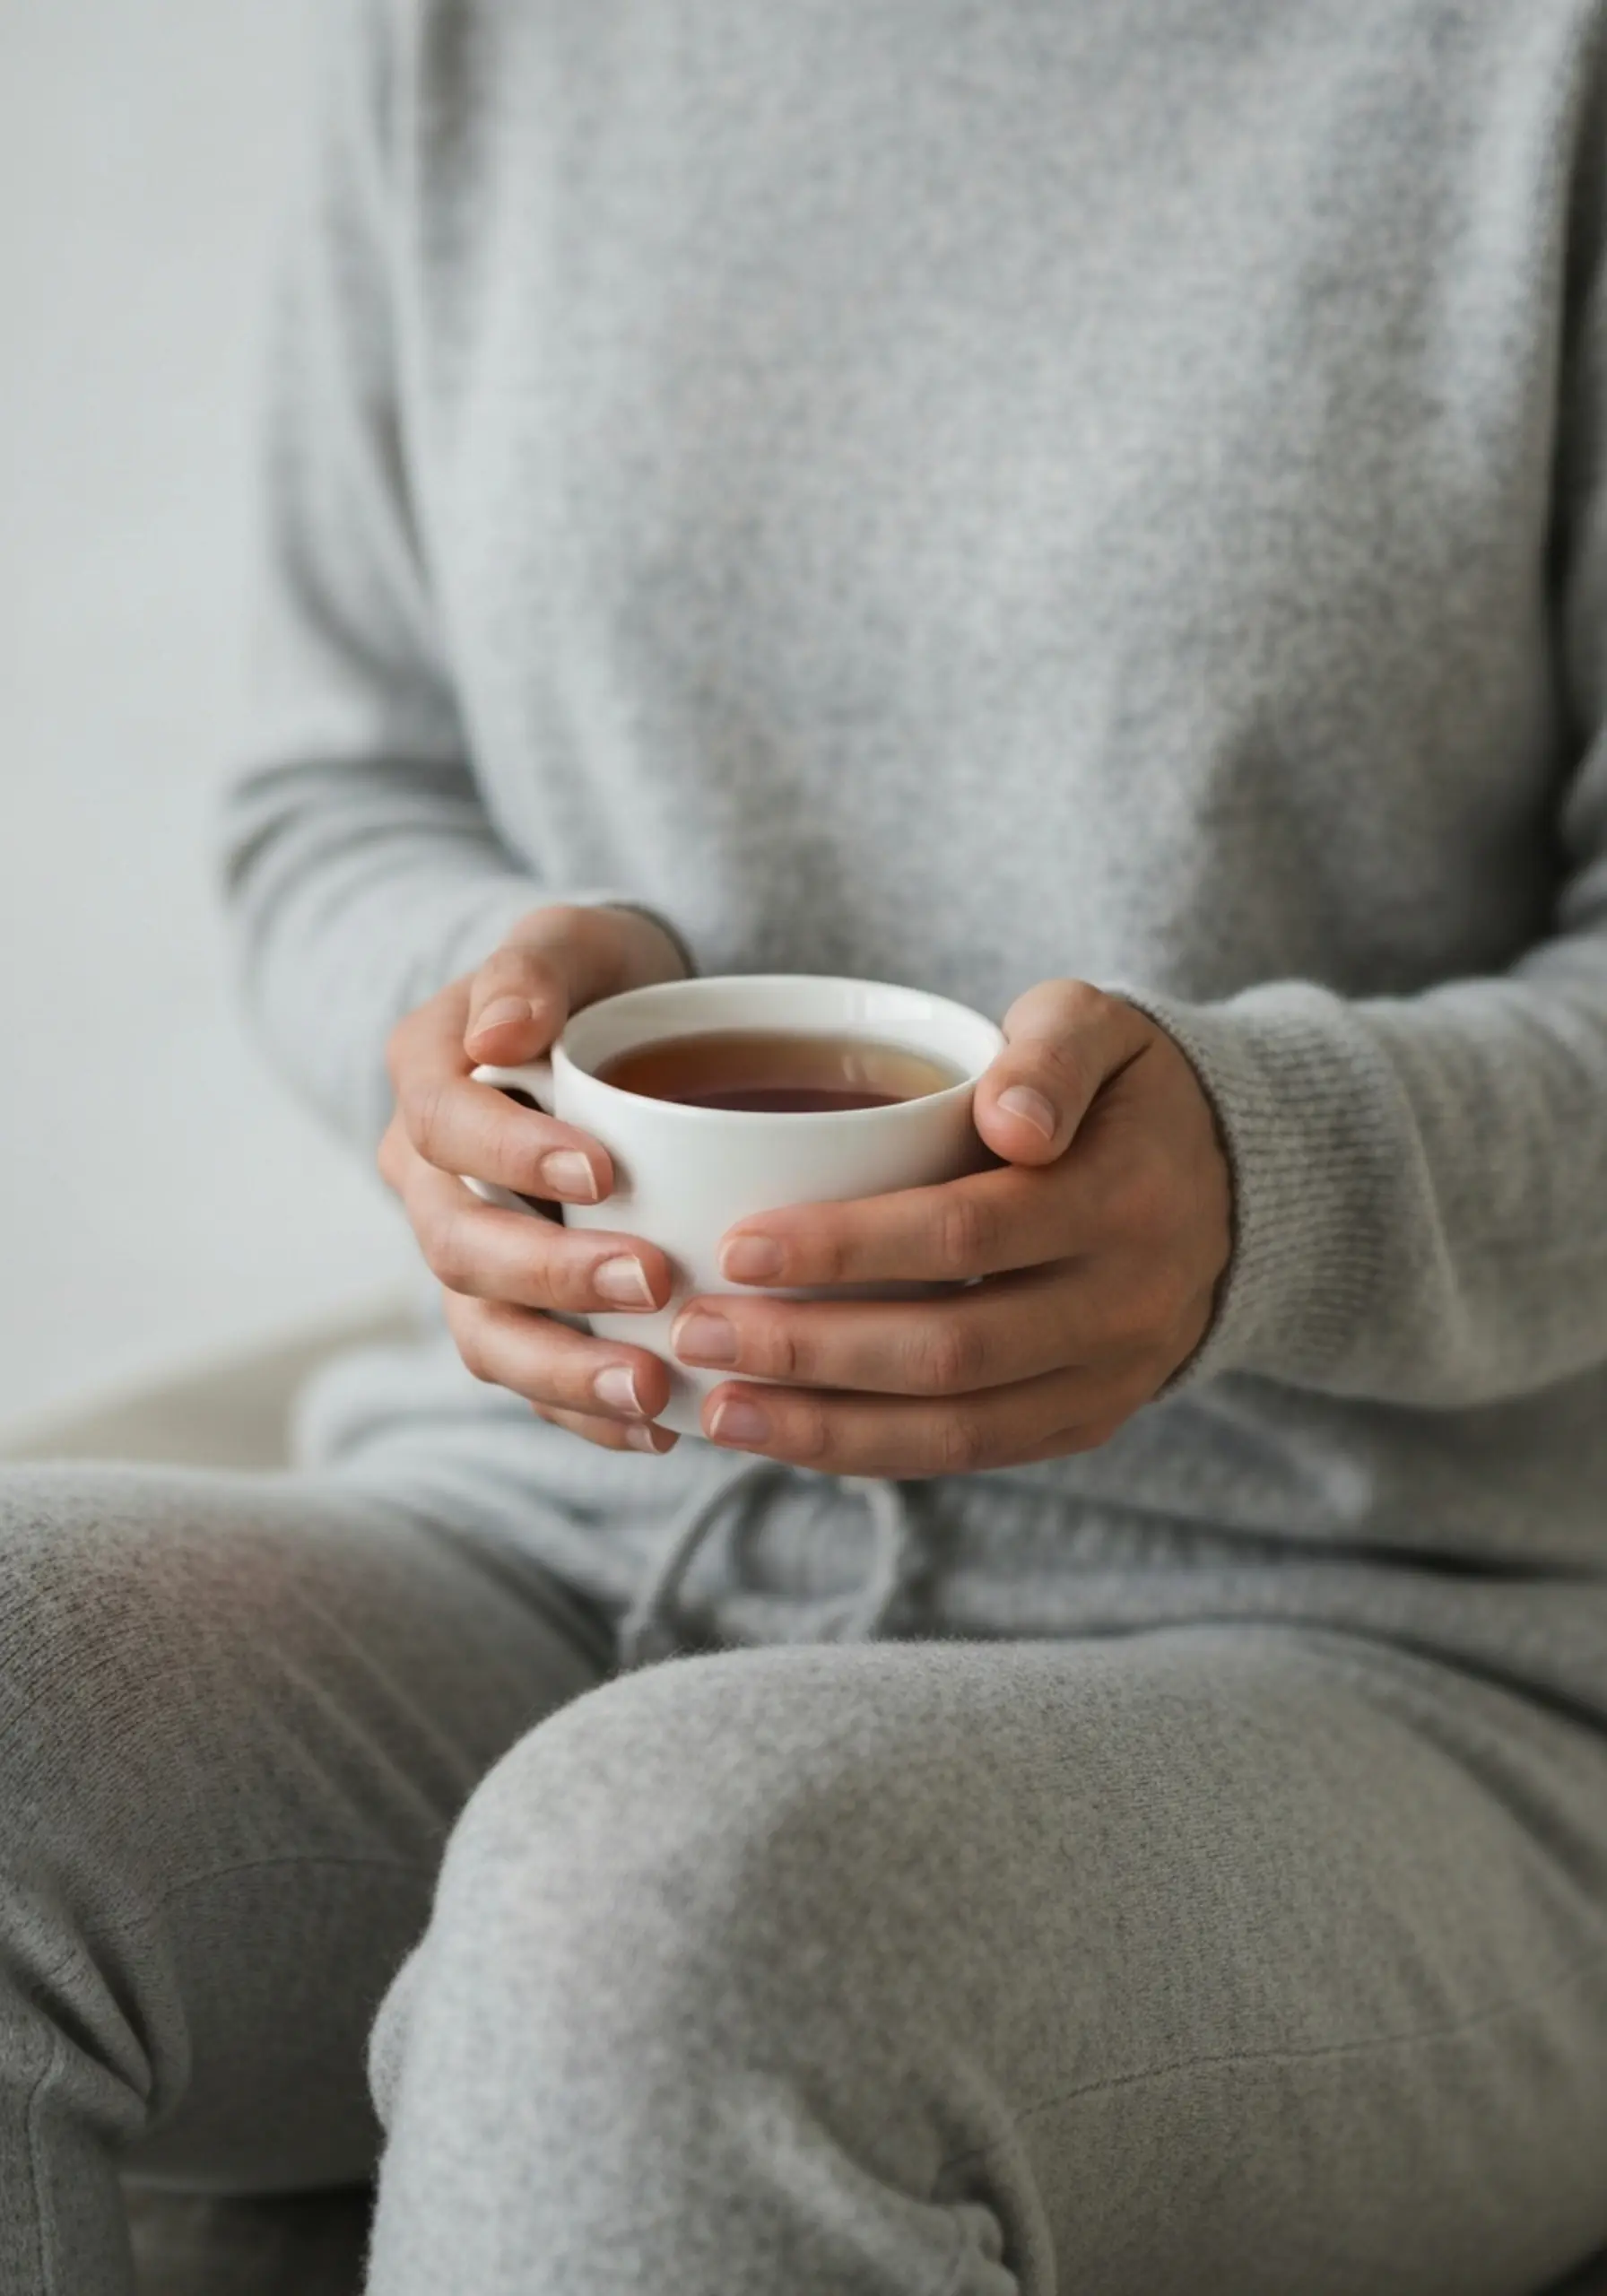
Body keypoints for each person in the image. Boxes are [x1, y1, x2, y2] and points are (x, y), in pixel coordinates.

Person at [7, 1, 1607, 2290]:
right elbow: (333, 786)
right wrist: (472, 1011)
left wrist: (1275, 1184)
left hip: (1396, 1636)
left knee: (662, 1912)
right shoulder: (480, 41)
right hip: (551, 1523)